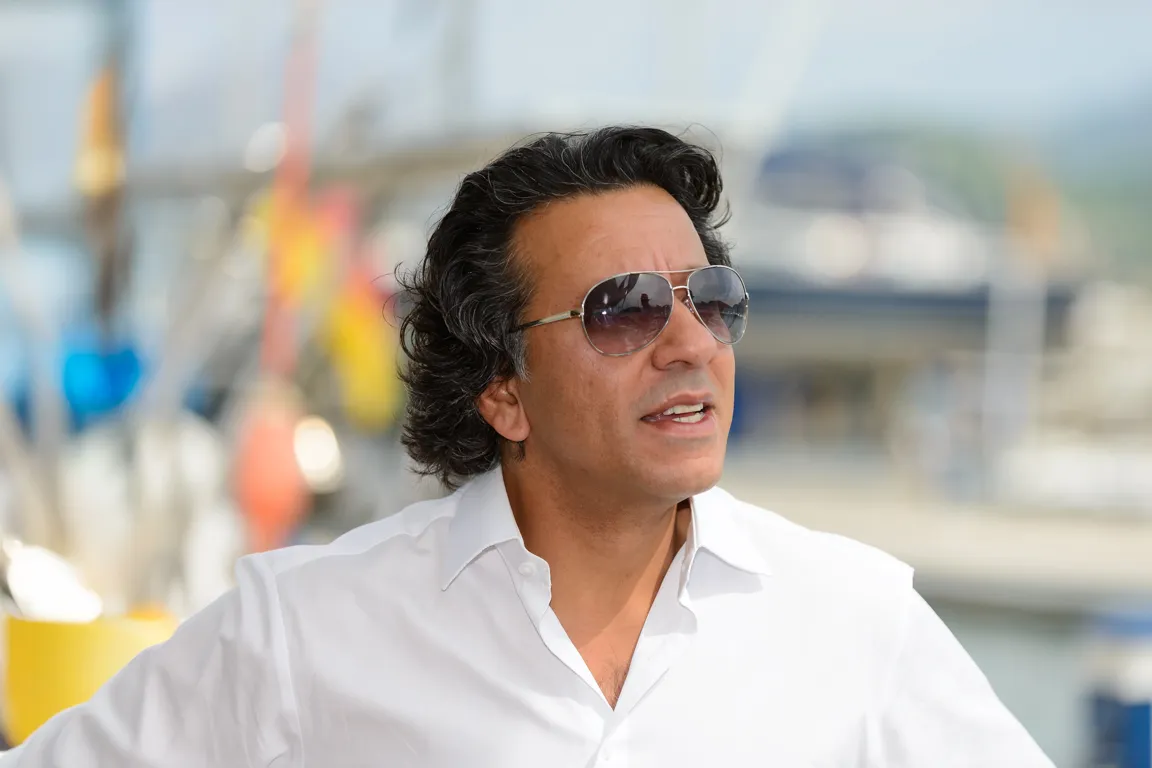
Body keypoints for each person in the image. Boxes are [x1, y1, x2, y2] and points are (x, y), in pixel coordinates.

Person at [1, 127, 1053, 766]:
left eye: (713, 300)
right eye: (626, 308)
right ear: (502, 387)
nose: (691, 343)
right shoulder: (306, 631)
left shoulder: (857, 621)